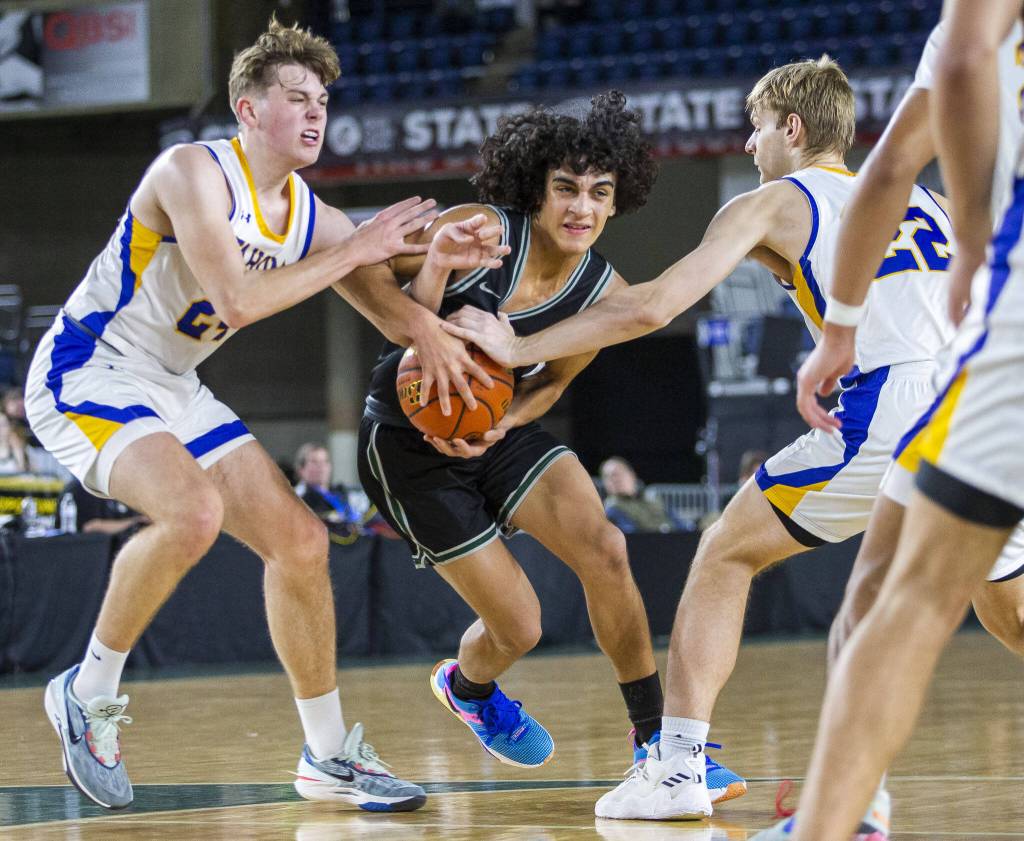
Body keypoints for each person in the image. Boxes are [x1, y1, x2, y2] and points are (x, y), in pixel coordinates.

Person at [444, 57, 958, 821]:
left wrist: (517, 348)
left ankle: (678, 767)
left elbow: (653, 307)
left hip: (892, 405)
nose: (748, 146)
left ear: (792, 128)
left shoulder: (774, 201)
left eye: (756, 128)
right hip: (976, 405)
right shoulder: (925, 201)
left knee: (725, 549)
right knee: (1006, 607)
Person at [25, 17, 500, 813]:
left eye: (322, 100)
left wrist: (443, 292)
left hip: (171, 382)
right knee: (194, 511)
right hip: (89, 368)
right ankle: (87, 688)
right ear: (248, 110)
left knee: (302, 541)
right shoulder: (191, 172)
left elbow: (393, 317)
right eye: (295, 97)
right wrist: (356, 248)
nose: (315, 113)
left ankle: (325, 756)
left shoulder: (310, 217)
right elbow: (237, 302)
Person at [333, 91, 744, 805]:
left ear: (618, 203)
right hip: (406, 443)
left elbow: (553, 383)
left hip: (503, 427)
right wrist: (419, 328)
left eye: (599, 192)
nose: (581, 206)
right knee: (520, 626)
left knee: (607, 548)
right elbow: (355, 267)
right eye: (566, 188)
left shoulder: (602, 291)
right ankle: (468, 687)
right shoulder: (484, 228)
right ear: (536, 189)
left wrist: (506, 418)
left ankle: (658, 745)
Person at [752, 4, 1024, 838]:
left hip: (1003, 326)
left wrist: (838, 328)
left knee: (894, 598)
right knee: (970, 601)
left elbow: (896, 163)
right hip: (975, 352)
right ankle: (849, 815)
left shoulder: (975, 30)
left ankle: (833, 824)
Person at [599, 456, 681, 533]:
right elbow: (633, 535)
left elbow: (679, 523)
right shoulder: (612, 509)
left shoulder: (653, 498)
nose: (614, 480)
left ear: (632, 475)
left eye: (617, 474)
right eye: (607, 477)